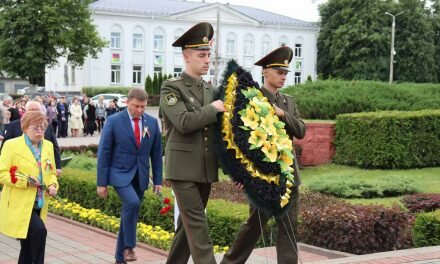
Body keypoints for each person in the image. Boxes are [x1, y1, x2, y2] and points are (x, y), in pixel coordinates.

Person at [221, 46, 306, 264]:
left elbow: (301, 130)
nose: (283, 77)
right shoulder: (252, 100)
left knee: (289, 227)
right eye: (279, 72)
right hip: (263, 177)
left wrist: (282, 114)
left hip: (288, 177)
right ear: (265, 72)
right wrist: (241, 175)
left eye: (286, 73)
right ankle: (230, 262)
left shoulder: (288, 102)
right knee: (255, 225)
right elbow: (238, 140)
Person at [160, 22, 225, 264]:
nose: (207, 60)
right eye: (201, 55)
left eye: (209, 54)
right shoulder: (171, 87)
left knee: (186, 229)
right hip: (183, 169)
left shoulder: (209, 90)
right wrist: (213, 109)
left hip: (205, 169)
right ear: (186, 56)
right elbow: (184, 122)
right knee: (198, 226)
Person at [97, 88, 163, 264]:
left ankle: (120, 259)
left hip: (140, 176)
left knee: (129, 213)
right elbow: (104, 152)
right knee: (132, 203)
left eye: (143, 107)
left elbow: (156, 154)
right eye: (136, 106)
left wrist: (158, 180)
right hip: (119, 174)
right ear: (127, 102)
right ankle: (130, 247)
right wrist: (101, 183)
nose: (140, 110)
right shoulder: (113, 121)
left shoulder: (152, 122)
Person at [0, 111, 59, 264]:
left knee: (28, 243)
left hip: (39, 202)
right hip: (18, 202)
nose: (40, 131)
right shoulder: (11, 145)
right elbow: (2, 173)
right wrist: (25, 181)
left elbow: (51, 172)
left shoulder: (48, 145)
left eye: (42, 127)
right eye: (36, 128)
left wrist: (53, 185)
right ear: (25, 128)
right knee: (40, 231)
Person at [0, 101, 62, 176]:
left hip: (42, 171)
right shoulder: (14, 125)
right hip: (20, 173)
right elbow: (4, 149)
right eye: (31, 110)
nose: (34, 113)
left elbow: (55, 146)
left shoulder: (47, 126)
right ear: (25, 112)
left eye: (37, 110)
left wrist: (58, 166)